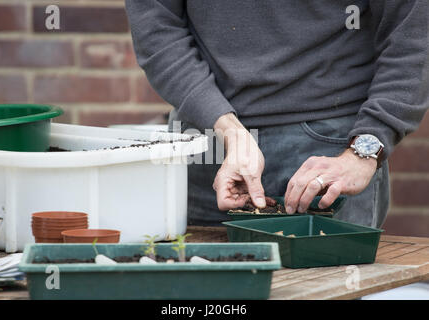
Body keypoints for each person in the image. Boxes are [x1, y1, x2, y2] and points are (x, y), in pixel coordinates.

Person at [125, 1, 429, 228]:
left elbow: (413, 36)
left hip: (327, 147)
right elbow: (157, 29)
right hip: (204, 142)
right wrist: (228, 129)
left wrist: (365, 149)